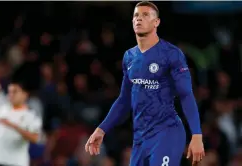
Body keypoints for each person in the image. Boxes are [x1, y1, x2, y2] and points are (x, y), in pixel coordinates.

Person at [85, 2, 205, 166]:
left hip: (167, 133)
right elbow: (124, 99)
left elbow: (186, 94)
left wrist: (197, 134)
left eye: (145, 15)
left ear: (156, 22)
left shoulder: (171, 54)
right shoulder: (129, 57)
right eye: (136, 15)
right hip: (140, 138)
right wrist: (102, 129)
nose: (139, 19)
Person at [0, 33, 42, 166]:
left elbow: (35, 138)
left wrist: (12, 125)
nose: (10, 94)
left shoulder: (32, 111)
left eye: (15, 92)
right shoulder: (4, 105)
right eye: (10, 91)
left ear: (25, 94)